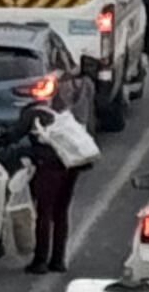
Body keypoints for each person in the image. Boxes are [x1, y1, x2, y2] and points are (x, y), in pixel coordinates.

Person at [12, 97, 100, 272]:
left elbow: (13, 136)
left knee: (44, 212)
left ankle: (40, 261)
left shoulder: (30, 115)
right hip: (71, 166)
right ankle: (58, 260)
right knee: (61, 213)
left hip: (49, 167)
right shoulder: (57, 115)